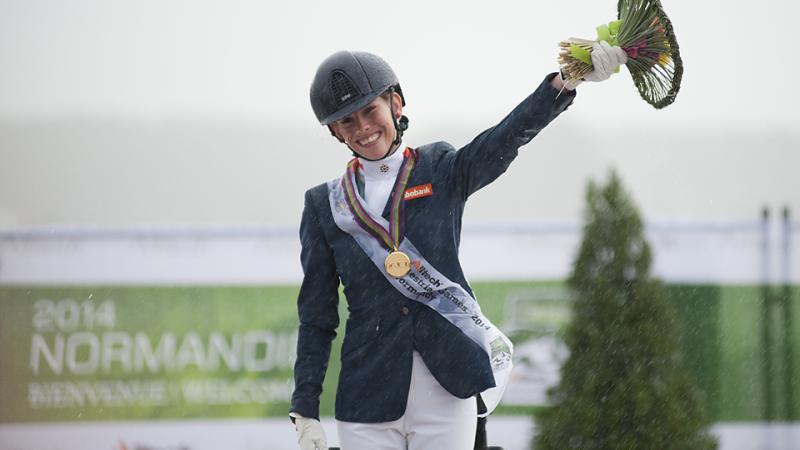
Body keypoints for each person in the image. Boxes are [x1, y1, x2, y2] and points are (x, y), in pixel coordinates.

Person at [290, 42, 627, 450]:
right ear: (333, 130)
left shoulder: (439, 168)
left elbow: (503, 141)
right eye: (346, 120)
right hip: (367, 397)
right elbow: (317, 317)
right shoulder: (325, 206)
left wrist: (564, 83)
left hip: (448, 388)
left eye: (369, 110)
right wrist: (305, 408)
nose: (362, 127)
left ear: (395, 103)